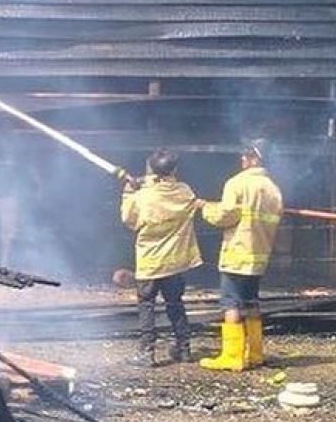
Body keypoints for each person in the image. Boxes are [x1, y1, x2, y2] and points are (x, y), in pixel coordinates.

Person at [199, 140, 283, 371]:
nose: (241, 160)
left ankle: (232, 357)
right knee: (251, 302)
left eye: (245, 156)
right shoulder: (273, 189)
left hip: (237, 254)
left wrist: (205, 209)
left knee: (231, 304)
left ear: (254, 159)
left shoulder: (237, 183)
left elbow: (226, 216)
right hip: (258, 256)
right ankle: (255, 354)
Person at [120, 148, 201, 367]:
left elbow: (129, 221)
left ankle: (147, 353)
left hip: (150, 261)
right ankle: (184, 349)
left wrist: (129, 192)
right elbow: (173, 191)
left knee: (146, 305)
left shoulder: (143, 196)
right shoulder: (185, 191)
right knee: (175, 303)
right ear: (174, 169)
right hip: (175, 260)